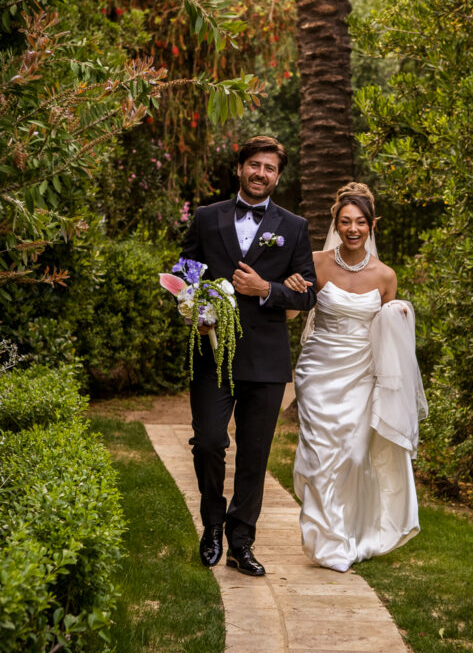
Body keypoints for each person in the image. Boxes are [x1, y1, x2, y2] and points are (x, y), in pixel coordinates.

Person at [179, 136, 318, 577]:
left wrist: (267, 291)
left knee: (254, 455)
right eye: (254, 165)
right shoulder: (206, 217)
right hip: (212, 355)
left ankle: (242, 542)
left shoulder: (293, 227)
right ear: (239, 168)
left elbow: (309, 293)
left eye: (270, 168)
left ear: (279, 176)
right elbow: (187, 273)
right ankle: (212, 524)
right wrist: (194, 311)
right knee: (208, 444)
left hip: (266, 359)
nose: (261, 173)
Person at [284, 182, 427, 573]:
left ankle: (349, 534)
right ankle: (326, 542)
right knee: (318, 457)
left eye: (360, 222)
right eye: (345, 221)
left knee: (353, 455)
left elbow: (388, 334)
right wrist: (289, 290)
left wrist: (398, 319)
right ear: (335, 222)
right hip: (318, 370)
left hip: (362, 374)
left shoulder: (385, 276)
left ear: (371, 224)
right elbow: (291, 315)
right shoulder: (314, 262)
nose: (352, 229)